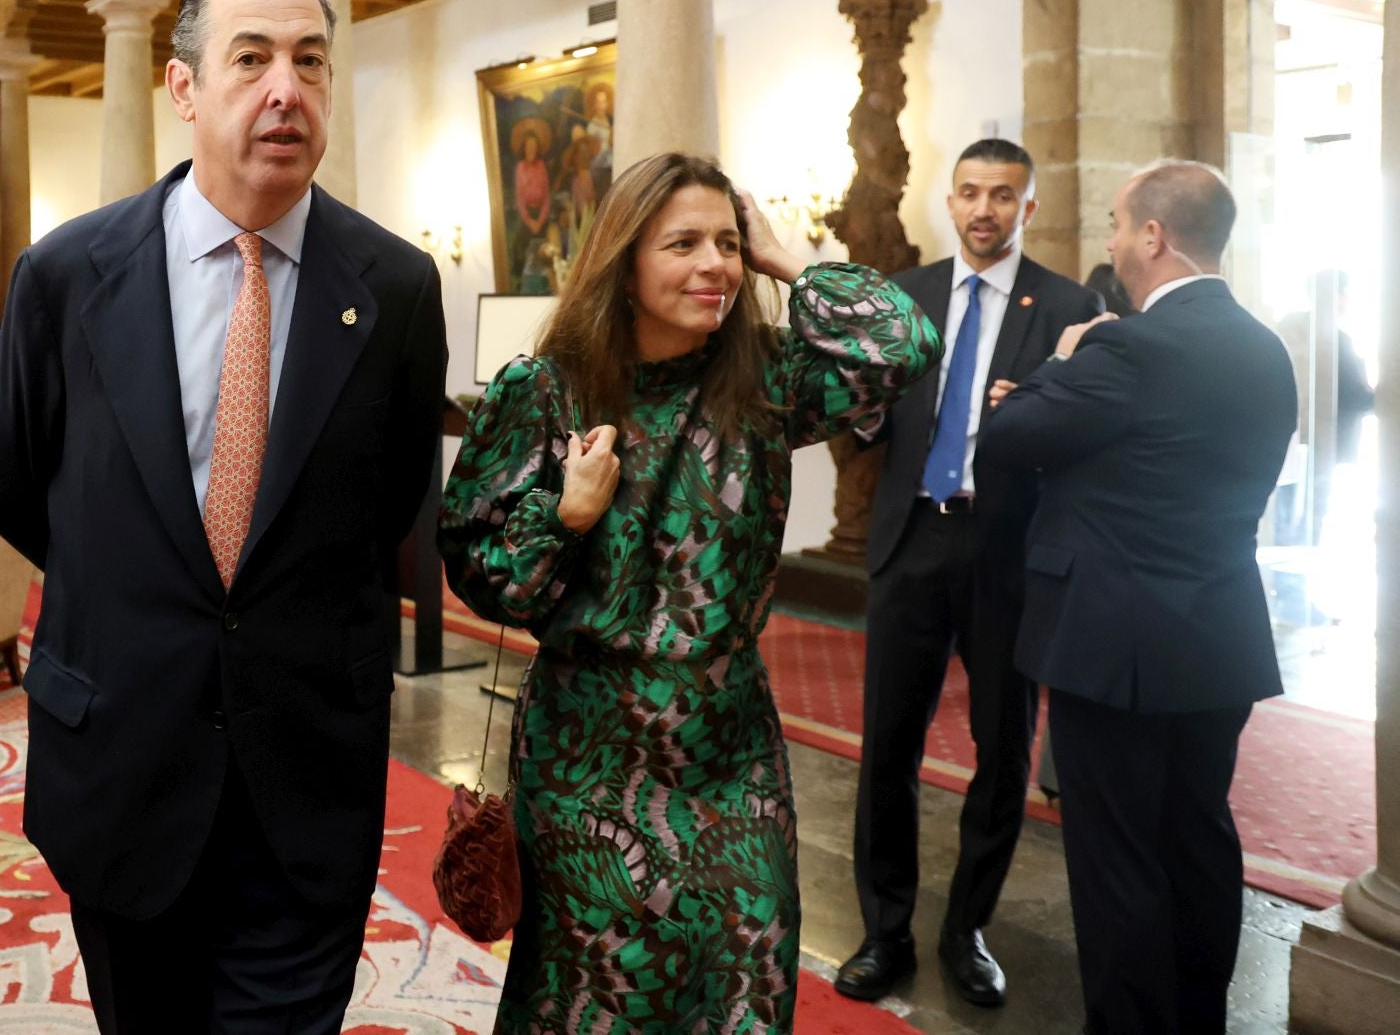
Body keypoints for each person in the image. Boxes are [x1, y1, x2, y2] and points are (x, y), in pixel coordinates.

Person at [0, 0, 447, 1032]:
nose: (287, 88)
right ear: (184, 89)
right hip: (122, 766)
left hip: (308, 778)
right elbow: (19, 491)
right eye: (252, 59)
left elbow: (386, 509)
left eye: (311, 61)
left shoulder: (394, 288)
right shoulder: (66, 277)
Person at [439, 153, 940, 1032]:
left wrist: (789, 261)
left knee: (747, 979)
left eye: (728, 243)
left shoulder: (768, 383)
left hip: (730, 753)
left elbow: (904, 345)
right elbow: (482, 575)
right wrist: (565, 515)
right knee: (602, 997)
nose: (715, 263)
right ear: (624, 261)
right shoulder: (546, 391)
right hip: (589, 762)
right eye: (683, 243)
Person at [979, 160, 1296, 1035]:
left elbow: (1006, 437)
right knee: (1198, 839)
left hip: (1113, 644)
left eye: (1119, 225)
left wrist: (1061, 360)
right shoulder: (1266, 348)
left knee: (1116, 856)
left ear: (1154, 236)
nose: (1114, 243)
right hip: (1219, 636)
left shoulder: (1126, 346)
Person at [838, 139, 1102, 1007]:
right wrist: (863, 413)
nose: (984, 209)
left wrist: (1031, 414)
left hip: (1006, 552)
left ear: (1029, 207)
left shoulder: (1069, 307)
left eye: (1003, 195)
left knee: (1000, 751)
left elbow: (1085, 445)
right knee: (888, 748)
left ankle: (967, 932)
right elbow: (869, 428)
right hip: (912, 539)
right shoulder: (905, 296)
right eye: (970, 193)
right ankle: (885, 933)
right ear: (947, 204)